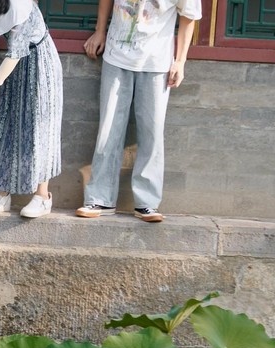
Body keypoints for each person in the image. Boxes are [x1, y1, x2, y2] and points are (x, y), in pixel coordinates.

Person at [74, 0, 201, 223]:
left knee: (151, 133)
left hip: (157, 62)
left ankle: (147, 202)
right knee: (108, 129)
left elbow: (189, 17)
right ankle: (99, 198)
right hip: (116, 55)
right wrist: (100, 31)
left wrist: (180, 62)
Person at [0, 0, 63, 219]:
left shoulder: (24, 6)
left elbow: (17, 50)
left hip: (41, 66)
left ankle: (43, 196)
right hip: (16, 69)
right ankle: (2, 193)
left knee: (39, 128)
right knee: (8, 124)